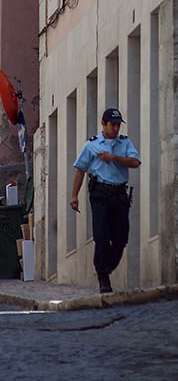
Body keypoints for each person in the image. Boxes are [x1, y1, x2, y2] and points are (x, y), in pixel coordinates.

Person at [69, 107, 141, 294]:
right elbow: (80, 170)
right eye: (113, 125)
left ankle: (106, 267)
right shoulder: (92, 145)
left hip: (119, 194)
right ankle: (103, 276)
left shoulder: (124, 143)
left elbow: (135, 162)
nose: (116, 129)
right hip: (100, 193)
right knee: (101, 236)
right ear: (103, 124)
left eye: (118, 125)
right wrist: (74, 195)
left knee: (120, 238)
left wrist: (114, 158)